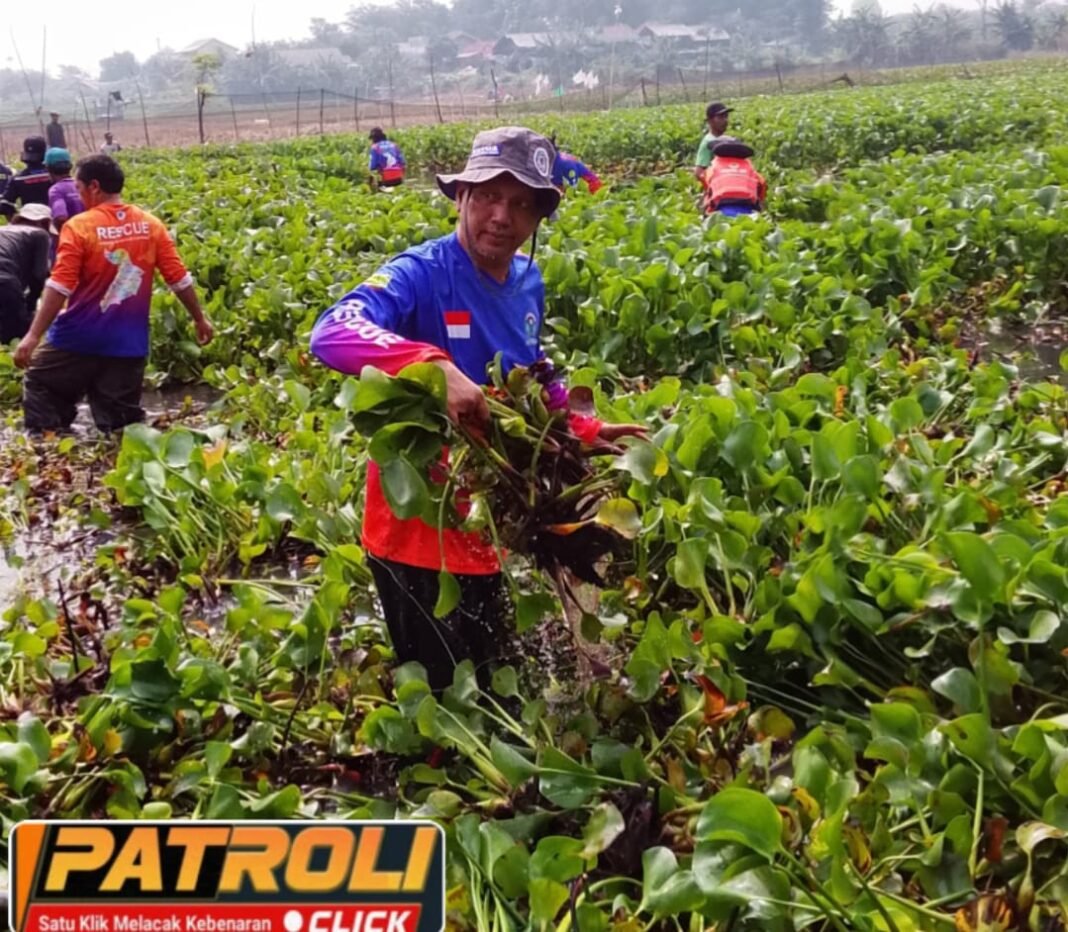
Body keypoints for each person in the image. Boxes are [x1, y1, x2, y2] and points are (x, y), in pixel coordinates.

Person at [310, 126, 641, 690]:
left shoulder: (528, 280)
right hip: (416, 529)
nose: (500, 216)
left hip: (483, 523)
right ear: (460, 196)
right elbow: (331, 333)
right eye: (488, 195)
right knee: (443, 696)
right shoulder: (422, 272)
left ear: (539, 216)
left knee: (492, 679)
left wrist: (575, 427)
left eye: (520, 203)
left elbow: (532, 372)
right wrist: (434, 365)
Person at [13, 155, 214, 433]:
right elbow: (179, 279)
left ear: (94, 187)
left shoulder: (80, 227)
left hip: (76, 339)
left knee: (41, 385)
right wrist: (199, 319)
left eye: (80, 190)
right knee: (122, 427)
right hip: (128, 343)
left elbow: (59, 286)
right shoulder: (151, 224)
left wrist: (33, 336)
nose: (80, 197)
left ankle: (54, 455)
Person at [0, 204, 51, 344]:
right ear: (44, 223)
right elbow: (38, 276)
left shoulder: (2, 229)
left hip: (5, 278)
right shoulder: (39, 234)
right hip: (4, 280)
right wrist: (30, 304)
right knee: (15, 336)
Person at [702, 139, 767, 217]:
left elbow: (708, 189)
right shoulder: (748, 166)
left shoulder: (713, 168)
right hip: (748, 209)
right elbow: (762, 184)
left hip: (722, 210)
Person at [0, 136, 52, 221]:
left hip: (30, 227)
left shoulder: (18, 179)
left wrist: (17, 225)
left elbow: (5, 206)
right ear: (45, 153)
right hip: (53, 224)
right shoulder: (54, 175)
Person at [45, 148, 84, 238]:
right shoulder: (81, 184)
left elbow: (60, 217)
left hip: (72, 239)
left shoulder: (56, 190)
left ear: (48, 168)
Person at [694, 101, 734, 182]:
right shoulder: (708, 142)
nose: (725, 120)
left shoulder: (727, 139)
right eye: (720, 117)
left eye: (726, 116)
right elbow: (699, 172)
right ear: (710, 121)